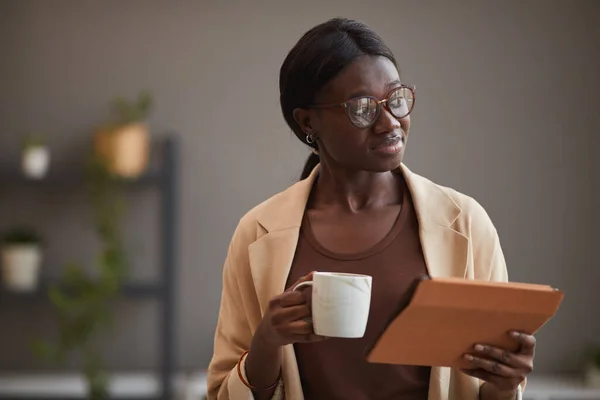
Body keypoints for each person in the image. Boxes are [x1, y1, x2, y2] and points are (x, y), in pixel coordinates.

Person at [207, 17, 534, 400]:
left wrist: (505, 384)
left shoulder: (466, 223)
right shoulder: (257, 232)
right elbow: (222, 394)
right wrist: (267, 340)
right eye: (362, 109)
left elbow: (487, 391)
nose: (390, 122)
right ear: (308, 120)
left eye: (396, 99)